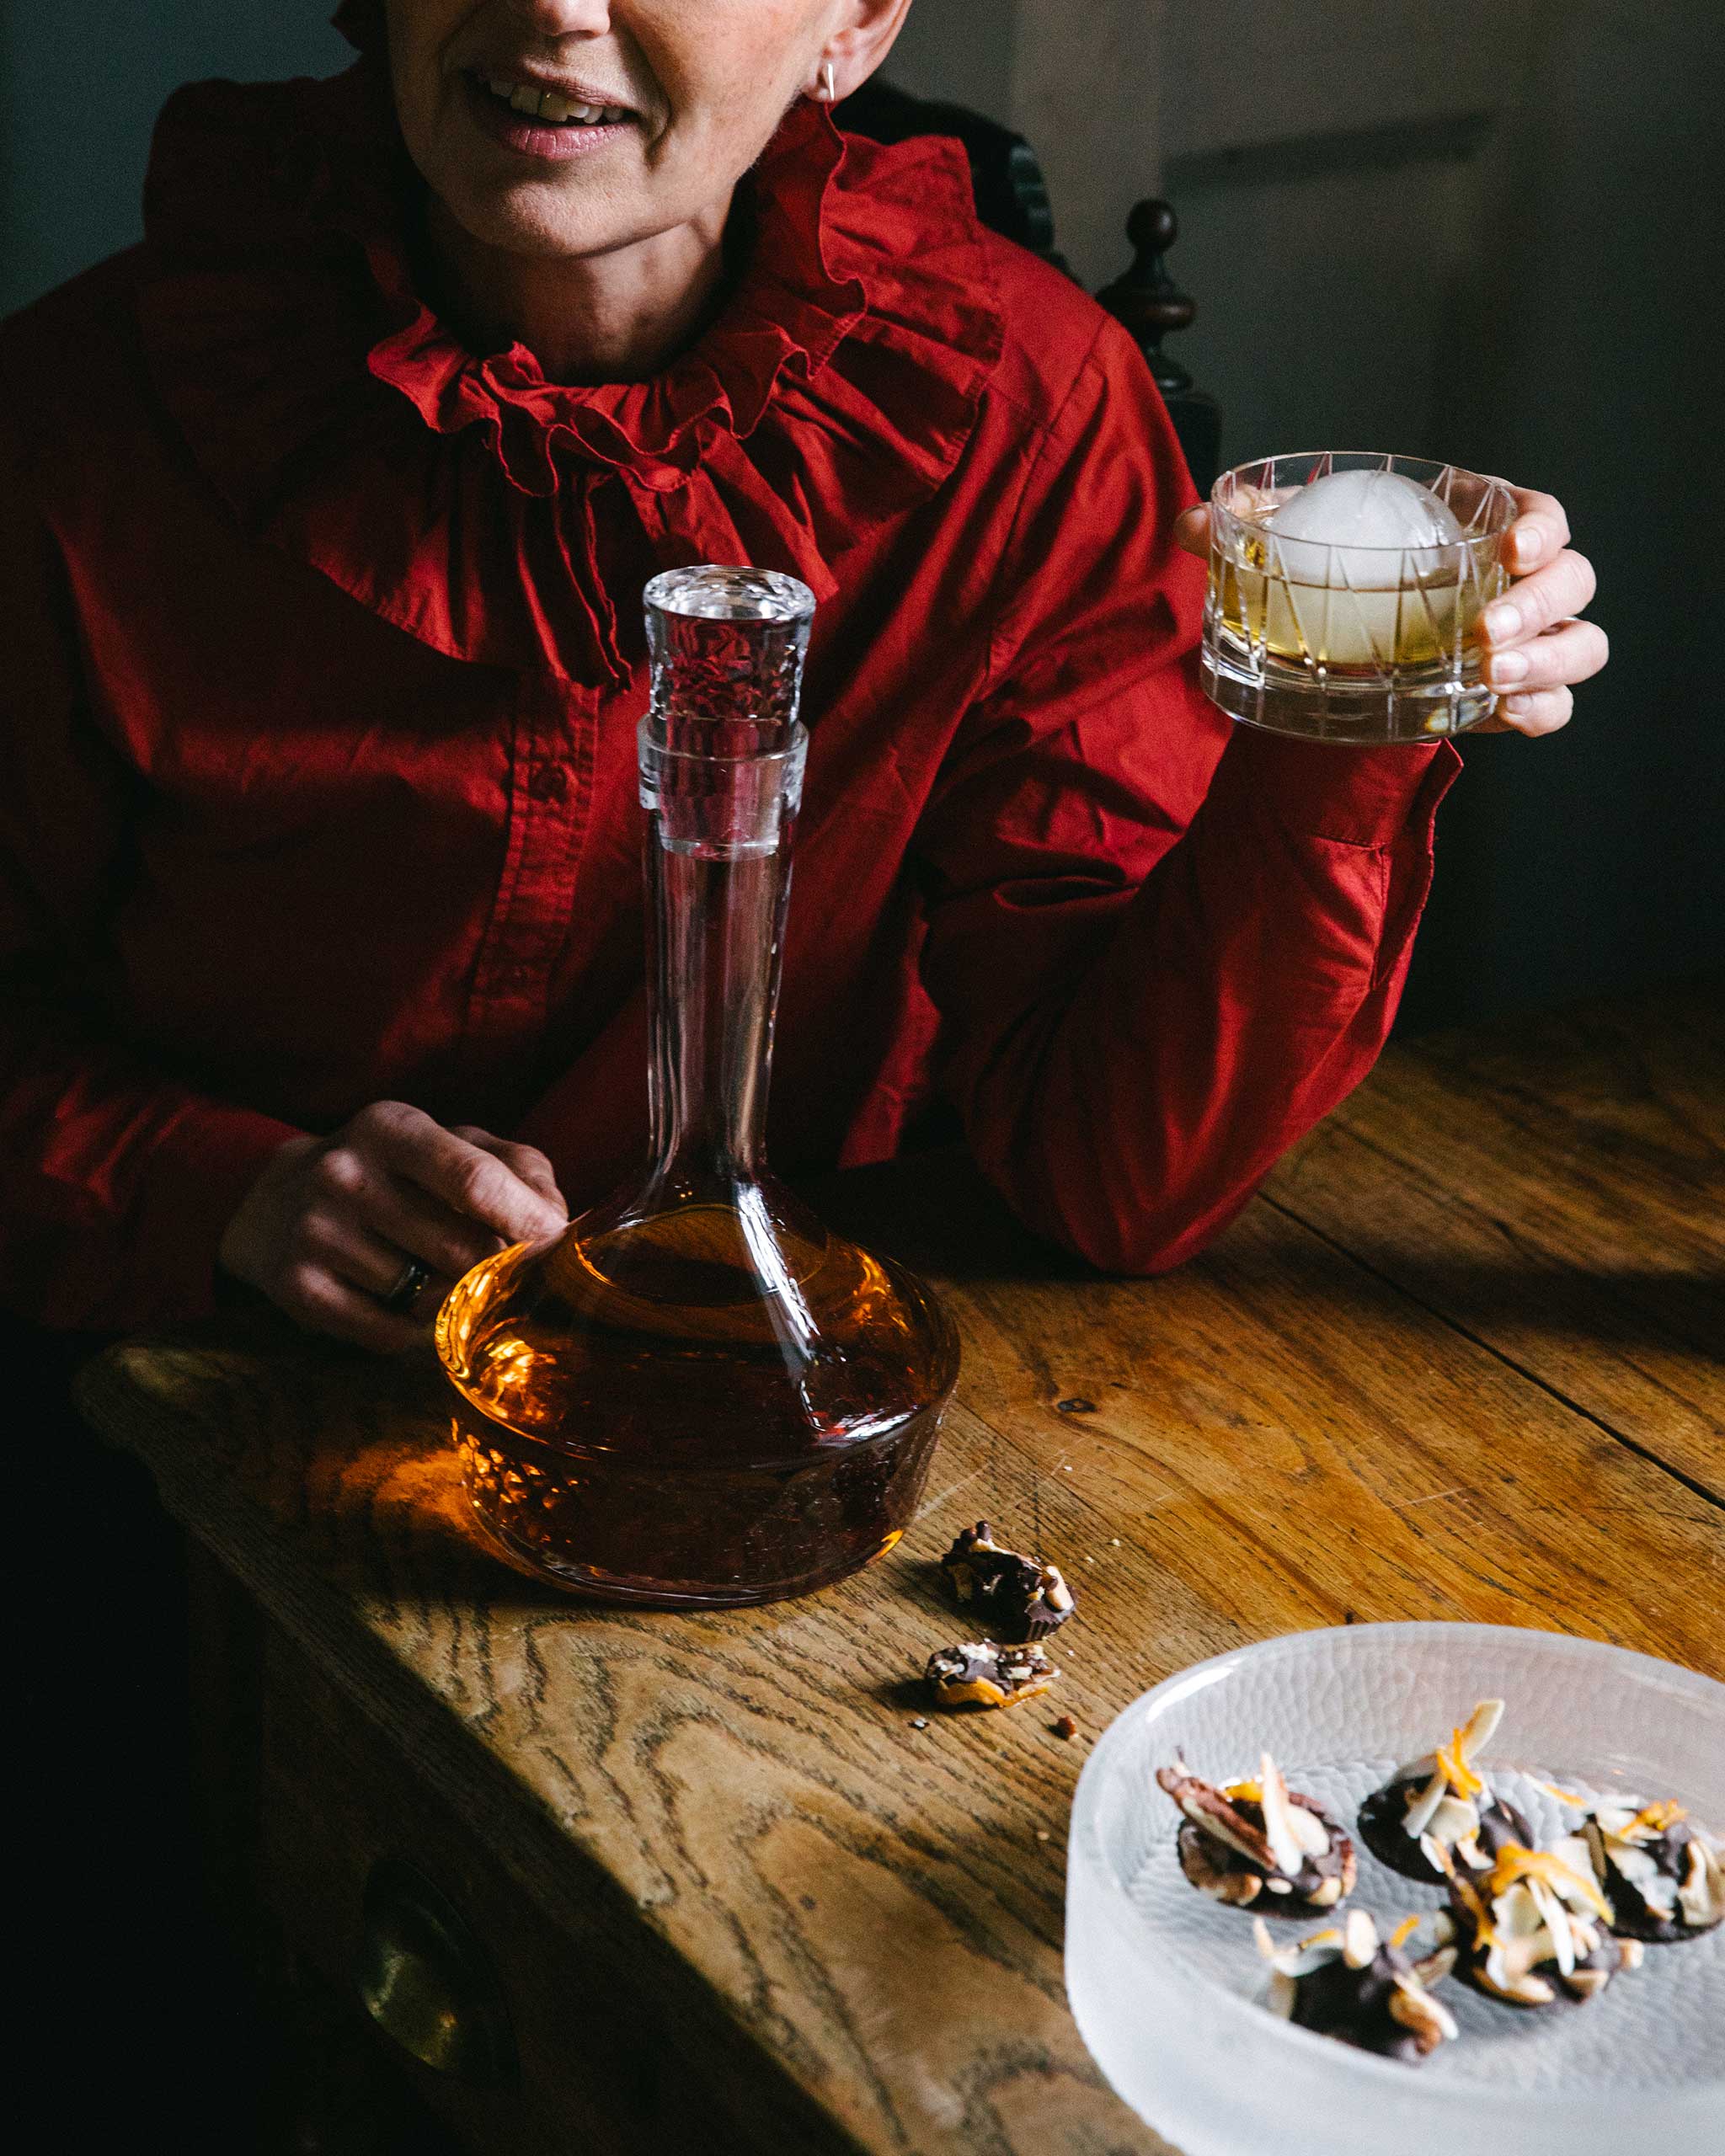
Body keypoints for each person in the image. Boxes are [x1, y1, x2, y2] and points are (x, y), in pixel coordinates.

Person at [0, 0, 1608, 1351]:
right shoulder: (91, 418)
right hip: (197, 1392)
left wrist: (1338, 737)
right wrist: (225, 1190)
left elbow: (1112, 1177)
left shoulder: (1024, 415)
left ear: (855, 23)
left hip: (764, 1373)